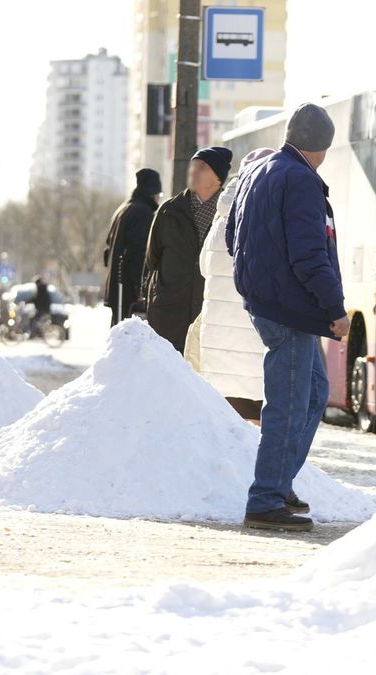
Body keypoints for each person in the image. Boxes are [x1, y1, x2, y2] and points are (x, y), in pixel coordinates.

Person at [227, 103, 348, 532]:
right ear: (322, 148)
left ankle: (280, 482)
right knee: (290, 405)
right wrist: (336, 311)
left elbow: (231, 238)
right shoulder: (301, 180)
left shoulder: (256, 173)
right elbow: (309, 255)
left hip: (267, 303)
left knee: (314, 392)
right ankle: (265, 500)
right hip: (292, 310)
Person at [198, 147, 275, 422]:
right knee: (253, 422)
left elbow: (204, 267)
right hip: (250, 334)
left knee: (224, 419)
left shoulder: (220, 219)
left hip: (217, 337)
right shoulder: (266, 216)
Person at [144, 147, 232, 353]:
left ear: (218, 177)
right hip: (168, 314)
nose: (193, 171)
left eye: (202, 167)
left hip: (211, 315)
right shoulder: (168, 211)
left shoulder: (229, 214)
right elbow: (152, 258)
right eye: (193, 166)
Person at [104, 169, 161, 326]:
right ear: (152, 193)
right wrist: (141, 288)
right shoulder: (143, 213)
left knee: (119, 336)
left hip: (117, 286)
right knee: (129, 338)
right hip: (129, 290)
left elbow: (108, 248)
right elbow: (138, 253)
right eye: (158, 194)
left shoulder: (123, 209)